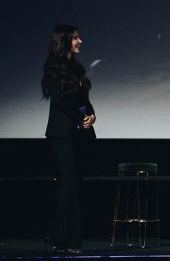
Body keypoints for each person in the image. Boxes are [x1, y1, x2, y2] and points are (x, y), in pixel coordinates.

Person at [42, 25, 96, 254]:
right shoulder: (52, 67)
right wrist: (79, 117)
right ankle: (67, 241)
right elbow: (61, 101)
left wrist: (92, 114)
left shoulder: (76, 67)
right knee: (69, 185)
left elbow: (83, 97)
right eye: (75, 38)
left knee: (70, 185)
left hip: (79, 133)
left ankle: (56, 236)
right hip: (62, 133)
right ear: (64, 41)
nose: (80, 41)